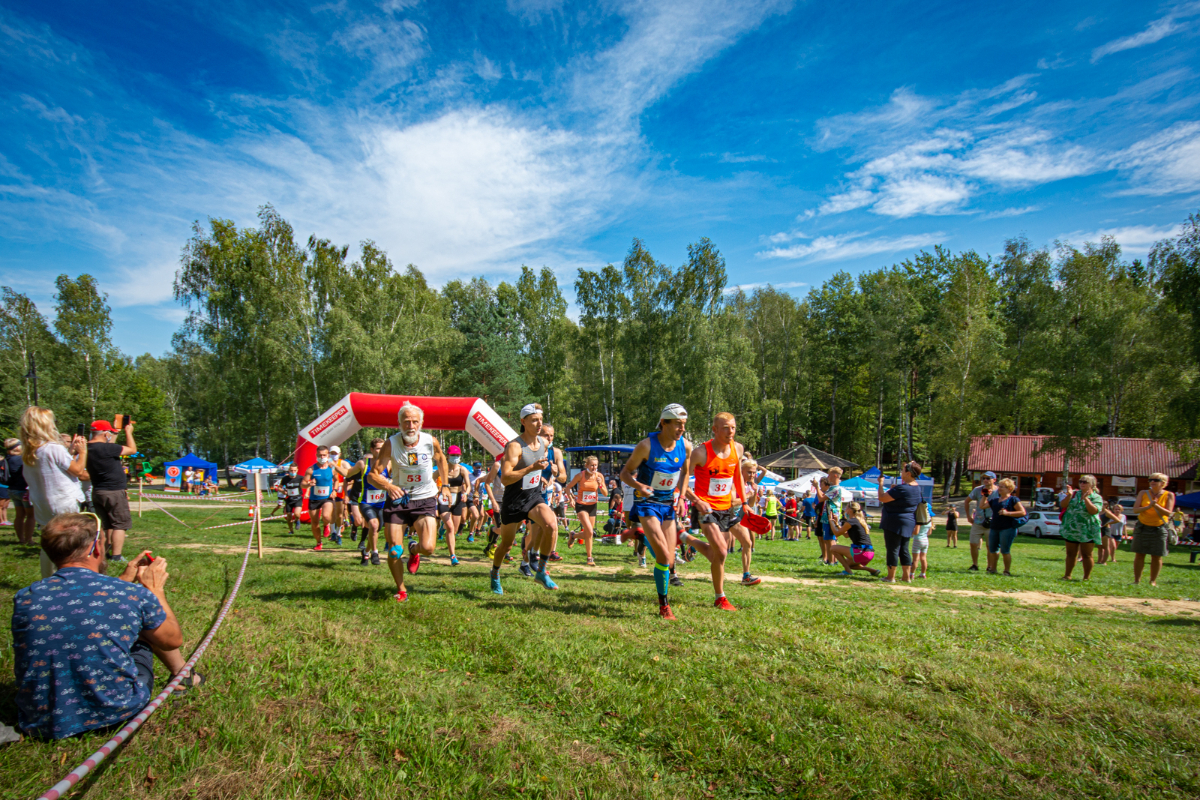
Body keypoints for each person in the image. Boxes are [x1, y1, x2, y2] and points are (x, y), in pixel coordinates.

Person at [11, 512, 201, 740]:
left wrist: (124, 578)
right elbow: (172, 640)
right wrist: (155, 590)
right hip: (116, 711)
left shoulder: (26, 597)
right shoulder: (131, 595)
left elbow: (80, 607)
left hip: (42, 720)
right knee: (145, 626)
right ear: (96, 549)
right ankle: (184, 675)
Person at [369, 403, 452, 602]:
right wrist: (388, 486)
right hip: (399, 500)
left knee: (429, 548)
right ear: (399, 423)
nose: (411, 425)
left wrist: (446, 485)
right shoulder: (391, 443)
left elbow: (441, 460)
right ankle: (401, 589)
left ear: (421, 423)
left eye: (415, 421)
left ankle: (414, 549)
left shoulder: (430, 441)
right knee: (395, 549)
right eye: (406, 421)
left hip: (425, 498)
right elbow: (373, 475)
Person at [620, 404, 692, 620]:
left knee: (669, 560)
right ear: (664, 423)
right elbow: (624, 473)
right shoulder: (646, 446)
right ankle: (664, 606)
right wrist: (639, 486)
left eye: (684, 425)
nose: (681, 429)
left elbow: (686, 473)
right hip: (647, 503)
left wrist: (680, 495)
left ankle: (641, 535)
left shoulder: (686, 446)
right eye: (678, 424)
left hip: (668, 505)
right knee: (663, 555)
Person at [487, 404, 562, 595]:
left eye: (540, 419)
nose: (539, 424)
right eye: (534, 420)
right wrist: (531, 469)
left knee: (552, 525)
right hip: (513, 500)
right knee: (506, 544)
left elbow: (540, 465)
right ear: (523, 422)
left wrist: (548, 472)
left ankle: (542, 571)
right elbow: (505, 478)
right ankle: (495, 573)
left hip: (534, 496)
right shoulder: (514, 446)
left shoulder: (544, 444)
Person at [680, 412, 750, 611]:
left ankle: (687, 539)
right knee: (720, 550)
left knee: (718, 554)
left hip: (726, 508)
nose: (731, 431)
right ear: (715, 430)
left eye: (734, 427)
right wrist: (695, 500)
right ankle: (720, 597)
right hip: (705, 508)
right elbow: (682, 478)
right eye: (726, 428)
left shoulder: (738, 448)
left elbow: (738, 478)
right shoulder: (701, 452)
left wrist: (744, 502)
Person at [20, 407, 88, 579]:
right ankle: (68, 578)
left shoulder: (29, 451)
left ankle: (48, 579)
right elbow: (78, 471)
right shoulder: (53, 448)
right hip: (62, 501)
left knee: (49, 541)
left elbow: (53, 467)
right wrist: (83, 452)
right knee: (69, 541)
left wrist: (70, 452)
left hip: (42, 503)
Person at [86, 418, 137, 564]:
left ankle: (104, 552)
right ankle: (116, 556)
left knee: (106, 524)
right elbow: (132, 449)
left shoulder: (87, 448)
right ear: (105, 434)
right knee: (120, 524)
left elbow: (109, 446)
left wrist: (115, 431)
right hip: (114, 491)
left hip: (98, 491)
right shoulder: (107, 449)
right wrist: (128, 433)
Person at [877, 462, 924, 582]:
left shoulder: (902, 488)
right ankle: (906, 577)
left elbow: (882, 497)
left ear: (908, 473)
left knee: (892, 548)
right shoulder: (917, 487)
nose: (901, 473)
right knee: (904, 549)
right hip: (908, 521)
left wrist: (881, 484)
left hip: (894, 521)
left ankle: (890, 576)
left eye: (903, 471)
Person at [1130, 473, 1175, 587]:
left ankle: (1152, 581)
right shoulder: (1143, 493)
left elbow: (1169, 513)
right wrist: (1148, 507)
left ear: (1163, 483)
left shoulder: (1169, 494)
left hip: (1159, 528)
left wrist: (1156, 506)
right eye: (1150, 480)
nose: (1152, 481)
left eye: (1156, 480)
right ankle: (1136, 580)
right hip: (1142, 527)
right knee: (1139, 554)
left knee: (1156, 555)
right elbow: (1135, 510)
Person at [565, 455, 609, 566]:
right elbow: (568, 488)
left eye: (596, 465)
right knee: (589, 530)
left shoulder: (599, 476)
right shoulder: (580, 475)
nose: (594, 468)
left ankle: (573, 536)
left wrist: (600, 485)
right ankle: (590, 558)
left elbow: (605, 493)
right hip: (581, 505)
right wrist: (571, 499)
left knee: (589, 533)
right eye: (592, 465)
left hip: (592, 506)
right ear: (587, 465)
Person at [1059, 475, 1103, 581]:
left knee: (1087, 554)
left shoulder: (1096, 497)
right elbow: (1063, 505)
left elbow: (1093, 511)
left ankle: (1086, 577)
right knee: (1070, 553)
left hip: (1088, 529)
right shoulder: (1074, 494)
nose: (1082, 483)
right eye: (1081, 481)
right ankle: (1067, 575)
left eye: (1085, 482)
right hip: (1072, 528)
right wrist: (1069, 495)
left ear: (1092, 484)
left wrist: (1086, 499)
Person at [301, 446, 341, 550]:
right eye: (320, 455)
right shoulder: (311, 469)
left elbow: (336, 480)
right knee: (314, 523)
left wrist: (335, 491)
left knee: (326, 516)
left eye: (324, 455)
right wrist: (309, 484)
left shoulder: (332, 469)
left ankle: (326, 525)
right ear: (316, 456)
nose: (322, 457)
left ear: (328, 456)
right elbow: (303, 484)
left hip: (327, 497)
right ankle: (319, 543)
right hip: (314, 499)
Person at [986, 478, 1026, 576]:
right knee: (993, 550)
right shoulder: (995, 500)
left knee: (1005, 550)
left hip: (1007, 528)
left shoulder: (1013, 499)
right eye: (999, 486)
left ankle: (1006, 571)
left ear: (1009, 488)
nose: (999, 488)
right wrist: (985, 495)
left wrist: (1007, 513)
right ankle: (993, 569)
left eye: (1002, 487)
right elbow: (982, 506)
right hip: (994, 527)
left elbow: (1023, 512)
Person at [830, 502, 881, 577]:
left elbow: (837, 534)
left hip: (861, 552)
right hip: (869, 553)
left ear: (850, 510)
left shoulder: (851, 522)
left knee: (833, 548)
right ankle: (873, 570)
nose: (845, 509)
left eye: (846, 507)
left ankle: (848, 571)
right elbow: (846, 535)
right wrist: (837, 524)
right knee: (847, 563)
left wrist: (830, 521)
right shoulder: (858, 520)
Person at [439, 444, 470, 566]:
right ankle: (453, 556)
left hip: (458, 500)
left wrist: (466, 493)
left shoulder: (462, 470)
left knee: (454, 529)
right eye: (453, 455)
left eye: (457, 455)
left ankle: (443, 528)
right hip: (445, 499)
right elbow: (431, 478)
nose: (455, 457)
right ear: (447, 456)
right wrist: (437, 491)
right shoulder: (442, 468)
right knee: (450, 528)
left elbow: (468, 486)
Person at [815, 468, 850, 567]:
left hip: (832, 517)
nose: (827, 477)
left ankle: (832, 561)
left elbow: (821, 498)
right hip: (827, 516)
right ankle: (829, 560)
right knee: (826, 539)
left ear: (835, 476)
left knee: (830, 539)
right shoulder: (832, 488)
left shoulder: (836, 489)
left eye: (829, 475)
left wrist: (817, 487)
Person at [963, 471, 998, 572]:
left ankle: (990, 566)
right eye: (984, 478)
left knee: (989, 546)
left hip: (992, 523)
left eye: (988, 478)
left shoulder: (999, 491)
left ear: (994, 480)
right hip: (978, 522)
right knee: (973, 543)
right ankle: (975, 565)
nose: (986, 480)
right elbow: (967, 501)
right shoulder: (978, 490)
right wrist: (968, 517)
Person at [7, 438, 34, 546]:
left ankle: (21, 539)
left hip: (12, 489)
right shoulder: (21, 459)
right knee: (31, 516)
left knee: (19, 516)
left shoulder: (7, 459)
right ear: (18, 447)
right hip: (24, 491)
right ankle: (29, 539)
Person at [1098, 497, 1125, 564]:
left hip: (1105, 529)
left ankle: (1104, 561)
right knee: (1099, 546)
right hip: (1099, 529)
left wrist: (1107, 523)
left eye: (1102, 504)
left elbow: (1117, 520)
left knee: (1106, 546)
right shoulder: (1098, 511)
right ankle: (1099, 561)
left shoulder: (1107, 512)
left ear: (1106, 505)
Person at [911, 499, 934, 578]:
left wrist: (911, 532)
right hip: (925, 540)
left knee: (915, 559)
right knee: (923, 558)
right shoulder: (929, 520)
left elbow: (916, 532)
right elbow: (929, 533)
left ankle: (911, 574)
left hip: (918, 540)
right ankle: (923, 574)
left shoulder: (919, 519)